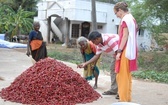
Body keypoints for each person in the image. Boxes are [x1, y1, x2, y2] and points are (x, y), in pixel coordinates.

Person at [77, 31, 119, 98]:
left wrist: (118, 63)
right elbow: (96, 56)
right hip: (116, 54)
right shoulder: (99, 45)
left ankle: (122, 92)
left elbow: (118, 51)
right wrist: (86, 63)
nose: (93, 43)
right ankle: (114, 89)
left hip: (122, 52)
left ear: (97, 39)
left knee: (120, 71)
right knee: (113, 69)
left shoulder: (109, 39)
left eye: (93, 42)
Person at [114, 2, 138, 102]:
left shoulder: (125, 19)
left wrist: (119, 51)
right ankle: (127, 99)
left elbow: (125, 36)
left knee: (122, 76)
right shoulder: (132, 19)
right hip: (131, 49)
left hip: (125, 50)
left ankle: (123, 100)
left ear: (120, 10)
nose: (116, 16)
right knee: (127, 75)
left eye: (116, 13)